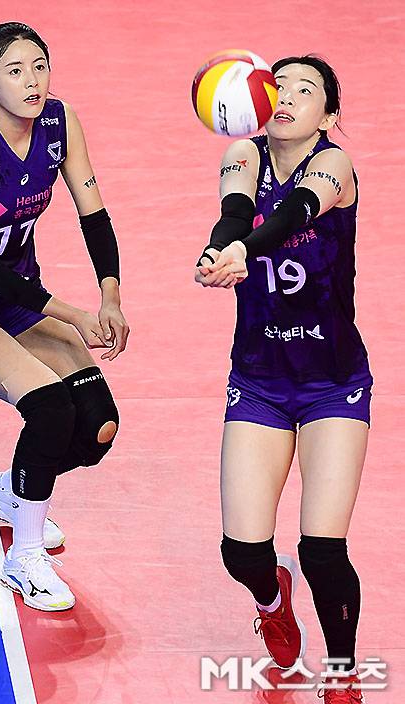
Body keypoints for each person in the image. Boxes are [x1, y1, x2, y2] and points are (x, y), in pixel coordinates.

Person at [0, 22, 129, 612]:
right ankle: (25, 559)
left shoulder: (59, 123)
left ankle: (11, 492)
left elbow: (94, 215)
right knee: (50, 407)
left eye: (40, 67)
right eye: (15, 71)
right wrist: (74, 314)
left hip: (18, 297)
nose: (33, 81)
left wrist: (110, 296)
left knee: (97, 427)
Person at [195, 55, 370, 703]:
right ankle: (272, 601)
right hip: (260, 381)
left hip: (333, 383)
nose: (288, 96)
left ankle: (343, 675)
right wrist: (218, 251)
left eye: (306, 89)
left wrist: (245, 249)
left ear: (329, 114)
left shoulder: (335, 164)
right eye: (280, 85)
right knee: (242, 552)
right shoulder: (243, 153)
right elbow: (235, 213)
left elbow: (295, 211)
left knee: (322, 547)